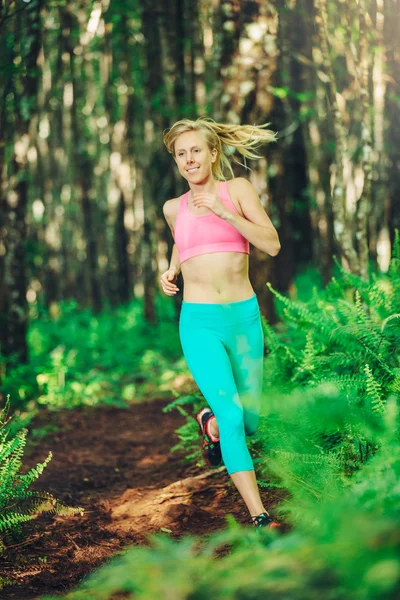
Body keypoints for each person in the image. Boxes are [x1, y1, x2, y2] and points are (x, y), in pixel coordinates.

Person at [160, 117, 281, 529]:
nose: (189, 159)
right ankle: (259, 514)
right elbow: (184, 239)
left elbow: (271, 244)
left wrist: (225, 213)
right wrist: (170, 270)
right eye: (181, 154)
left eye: (196, 150)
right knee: (233, 417)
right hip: (199, 323)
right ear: (175, 161)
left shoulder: (237, 191)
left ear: (213, 153)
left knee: (250, 420)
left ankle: (208, 422)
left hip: (242, 318)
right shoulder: (172, 208)